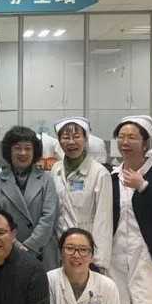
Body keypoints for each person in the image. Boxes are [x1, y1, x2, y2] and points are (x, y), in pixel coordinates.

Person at [109, 115, 152, 304]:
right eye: (121, 136)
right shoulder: (112, 176)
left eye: (132, 137)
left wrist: (143, 186)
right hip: (117, 259)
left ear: (145, 143)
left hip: (150, 260)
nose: (125, 142)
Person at [0, 126, 59, 271]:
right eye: (17, 148)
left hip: (41, 251)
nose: (23, 153)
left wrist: (29, 247)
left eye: (28, 148)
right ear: (9, 151)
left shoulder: (46, 179)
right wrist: (15, 246)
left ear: (35, 151)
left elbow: (49, 218)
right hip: (7, 250)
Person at [51, 117, 112, 272]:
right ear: (59, 141)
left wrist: (98, 261)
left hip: (86, 251)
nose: (71, 142)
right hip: (60, 248)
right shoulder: (55, 169)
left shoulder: (99, 173)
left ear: (86, 139)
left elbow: (104, 219)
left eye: (77, 136)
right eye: (66, 137)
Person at [48, 228, 120, 304]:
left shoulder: (108, 286)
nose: (76, 255)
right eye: (70, 248)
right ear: (61, 253)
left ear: (92, 256)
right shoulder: (49, 280)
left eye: (83, 250)